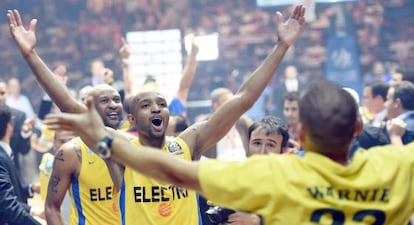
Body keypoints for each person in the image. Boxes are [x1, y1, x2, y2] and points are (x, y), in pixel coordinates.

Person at [47, 5, 305, 225]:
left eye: (161, 103)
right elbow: (71, 106)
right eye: (146, 105)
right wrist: (30, 54)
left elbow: (243, 98)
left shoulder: (187, 144)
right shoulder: (123, 152)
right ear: (132, 119)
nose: (157, 108)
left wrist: (281, 47)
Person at [46, 79, 414, 225]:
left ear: (299, 133)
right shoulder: (399, 166)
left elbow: (175, 172)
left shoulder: (274, 174)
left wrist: (105, 142)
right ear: (358, 127)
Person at [7, 10, 123, 225]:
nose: (114, 105)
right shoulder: (72, 152)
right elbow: (51, 207)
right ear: (89, 109)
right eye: (105, 101)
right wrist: (30, 55)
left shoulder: (130, 142)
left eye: (117, 99)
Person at [0, 103, 42, 225]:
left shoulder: (5, 152)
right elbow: (9, 206)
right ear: (9, 126)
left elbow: (8, 192)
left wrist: (31, 188)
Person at [0, 79, 35, 179]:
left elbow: (23, 150)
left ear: (8, 93)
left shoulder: (18, 116)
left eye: (2, 93)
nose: (0, 97)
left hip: (10, 174)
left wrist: (24, 133)